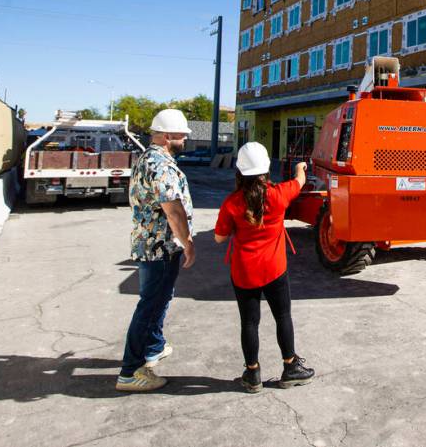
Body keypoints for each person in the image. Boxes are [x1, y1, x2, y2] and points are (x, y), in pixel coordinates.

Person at [214, 142, 315, 392]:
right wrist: (301, 167)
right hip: (275, 269)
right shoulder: (279, 194)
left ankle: (252, 374)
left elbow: (219, 238)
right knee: (283, 316)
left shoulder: (232, 203)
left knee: (249, 323)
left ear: (239, 171)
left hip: (244, 272)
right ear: (266, 169)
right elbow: (300, 180)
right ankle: (291, 366)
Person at [115, 109, 195, 392]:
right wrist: (188, 243)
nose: (185, 139)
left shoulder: (147, 159)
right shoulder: (160, 165)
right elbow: (173, 210)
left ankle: (153, 347)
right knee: (149, 306)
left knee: (158, 299)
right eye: (182, 135)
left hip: (152, 245)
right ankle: (130, 372)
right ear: (168, 136)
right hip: (159, 248)